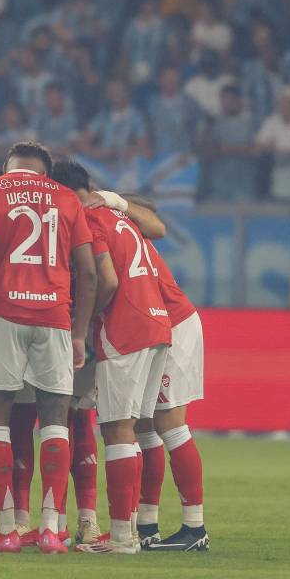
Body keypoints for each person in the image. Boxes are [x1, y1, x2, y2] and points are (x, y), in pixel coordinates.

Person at [0, 141, 97, 553]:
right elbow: (88, 273)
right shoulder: (67, 199)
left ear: (8, 168)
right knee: (56, 422)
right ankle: (52, 529)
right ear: (45, 171)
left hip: (3, 315)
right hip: (54, 318)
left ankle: (7, 530)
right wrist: (79, 332)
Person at [51, 160, 171, 555]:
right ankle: (130, 531)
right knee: (133, 430)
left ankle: (120, 538)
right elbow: (156, 229)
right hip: (156, 325)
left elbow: (107, 280)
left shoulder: (88, 218)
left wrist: (84, 321)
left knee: (116, 430)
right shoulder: (119, 217)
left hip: (126, 329)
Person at [138, 239, 209, 552]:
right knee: (145, 422)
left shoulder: (104, 225)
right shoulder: (124, 222)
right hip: (155, 324)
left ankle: (195, 528)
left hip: (173, 324)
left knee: (170, 422)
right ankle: (146, 524)